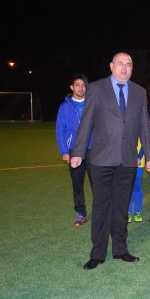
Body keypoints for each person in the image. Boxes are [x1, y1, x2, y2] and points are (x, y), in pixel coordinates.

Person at [70, 52, 150, 270]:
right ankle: (97, 253)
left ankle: (120, 249)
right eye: (121, 64)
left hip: (127, 160)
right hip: (101, 159)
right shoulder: (97, 89)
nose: (125, 68)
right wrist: (78, 152)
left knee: (120, 208)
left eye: (129, 64)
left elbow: (144, 126)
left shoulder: (139, 92)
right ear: (111, 66)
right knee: (100, 206)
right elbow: (86, 122)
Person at [55, 74, 93, 227]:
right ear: (72, 87)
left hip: (93, 149)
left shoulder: (92, 104)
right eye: (77, 85)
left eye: (83, 85)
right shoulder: (65, 107)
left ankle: (100, 212)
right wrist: (64, 151)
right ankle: (81, 213)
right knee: (77, 184)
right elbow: (60, 130)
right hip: (74, 150)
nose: (81, 88)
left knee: (97, 183)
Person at [127, 142, 145, 223]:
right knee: (128, 188)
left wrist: (139, 157)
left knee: (137, 187)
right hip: (127, 162)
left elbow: (145, 143)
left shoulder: (141, 129)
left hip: (139, 163)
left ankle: (138, 212)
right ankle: (128, 212)